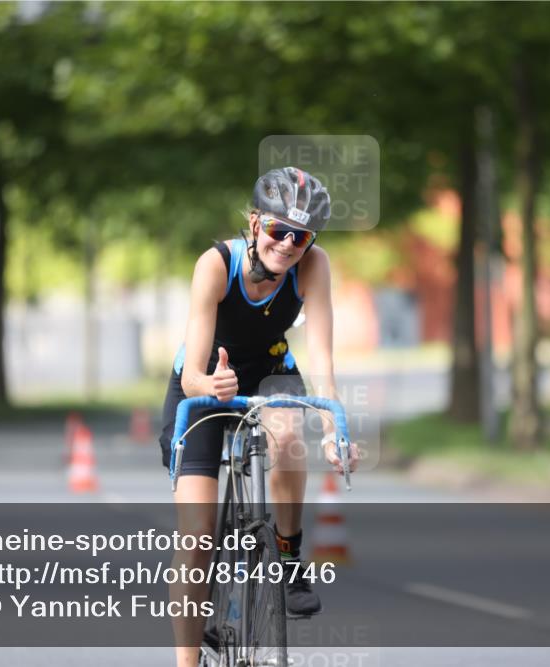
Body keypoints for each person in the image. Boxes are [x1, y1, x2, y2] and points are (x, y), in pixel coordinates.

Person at [158, 167, 359, 666]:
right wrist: (211, 385)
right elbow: (192, 376)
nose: (287, 244)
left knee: (289, 435)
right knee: (196, 538)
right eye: (277, 229)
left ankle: (287, 557)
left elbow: (323, 365)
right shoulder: (215, 264)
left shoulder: (314, 267)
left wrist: (334, 430)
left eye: (301, 237)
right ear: (254, 223)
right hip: (207, 379)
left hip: (271, 371)